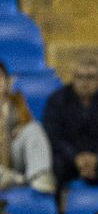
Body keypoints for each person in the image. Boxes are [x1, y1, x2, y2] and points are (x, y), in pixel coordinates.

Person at [43, 56, 98, 188]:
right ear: (73, 78)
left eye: (90, 77)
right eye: (80, 77)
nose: (85, 82)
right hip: (67, 159)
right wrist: (75, 158)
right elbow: (53, 136)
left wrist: (96, 158)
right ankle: (58, 201)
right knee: (53, 166)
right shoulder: (57, 100)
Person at [0, 60, 54, 193]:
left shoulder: (17, 101)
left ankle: (39, 174)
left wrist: (20, 126)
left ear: (7, 82)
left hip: (14, 156)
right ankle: (11, 177)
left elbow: (27, 124)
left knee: (33, 128)